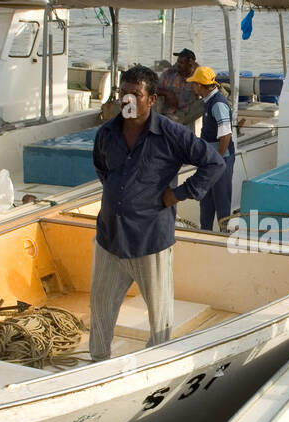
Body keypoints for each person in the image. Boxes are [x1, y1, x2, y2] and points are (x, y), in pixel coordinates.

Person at [88, 65, 225, 360]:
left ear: (151, 99)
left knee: (160, 320)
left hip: (150, 240)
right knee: (99, 310)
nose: (127, 101)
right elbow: (102, 169)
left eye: (135, 95)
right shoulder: (106, 133)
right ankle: (96, 365)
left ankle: (155, 366)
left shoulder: (171, 134)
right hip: (109, 237)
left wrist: (177, 194)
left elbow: (214, 163)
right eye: (123, 94)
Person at [186, 65, 235, 230]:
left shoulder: (218, 104)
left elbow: (225, 136)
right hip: (211, 160)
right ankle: (205, 232)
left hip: (220, 159)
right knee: (206, 201)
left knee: (221, 201)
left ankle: (223, 235)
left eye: (194, 83)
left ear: (200, 85)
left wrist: (217, 160)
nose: (192, 86)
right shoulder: (209, 101)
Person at [156, 48, 199, 122]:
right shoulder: (168, 74)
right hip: (168, 114)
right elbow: (153, 89)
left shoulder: (197, 78)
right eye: (178, 62)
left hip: (188, 115)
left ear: (190, 64)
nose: (178, 65)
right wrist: (167, 93)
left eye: (181, 63)